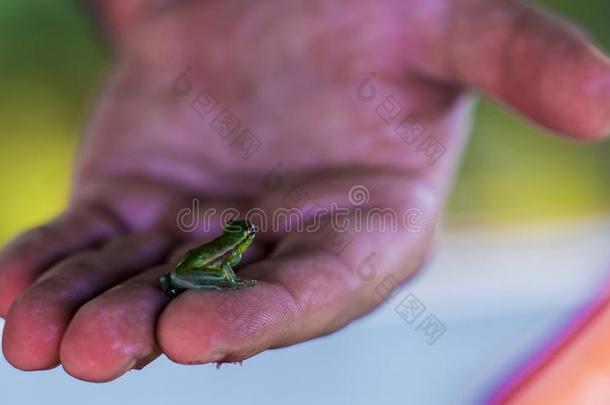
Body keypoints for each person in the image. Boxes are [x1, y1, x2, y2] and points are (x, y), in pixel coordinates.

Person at [0, 0, 609, 382]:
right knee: (186, 301)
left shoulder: (232, 242)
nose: (243, 234)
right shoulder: (229, 249)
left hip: (193, 268)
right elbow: (209, 264)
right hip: (191, 272)